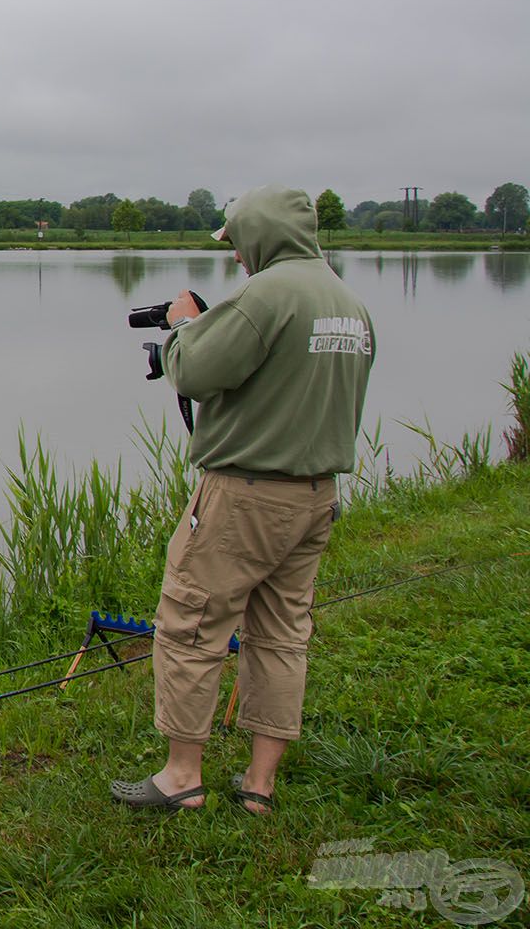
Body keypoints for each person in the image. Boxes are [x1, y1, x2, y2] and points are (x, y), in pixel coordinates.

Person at [111, 185, 374, 814]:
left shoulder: (267, 295)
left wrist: (181, 326)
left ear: (261, 234)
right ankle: (259, 786)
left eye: (236, 243)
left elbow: (196, 371)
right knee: (282, 633)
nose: (234, 258)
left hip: (244, 496)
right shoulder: (348, 303)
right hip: (314, 496)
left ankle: (180, 778)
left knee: (190, 624)